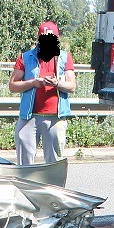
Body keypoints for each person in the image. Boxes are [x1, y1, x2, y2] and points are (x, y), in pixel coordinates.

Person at [9, 21, 76, 165]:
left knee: (53, 163)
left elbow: (72, 86)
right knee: (24, 164)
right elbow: (13, 85)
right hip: (29, 117)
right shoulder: (25, 57)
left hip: (55, 119)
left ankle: (52, 187)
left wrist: (57, 83)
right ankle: (25, 187)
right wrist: (33, 83)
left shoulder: (64, 57)